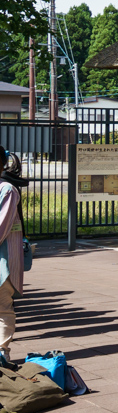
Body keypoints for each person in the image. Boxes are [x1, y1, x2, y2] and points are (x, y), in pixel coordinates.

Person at [0, 150, 25, 362]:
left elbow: (1, 227)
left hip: (3, 262)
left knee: (2, 309)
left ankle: (2, 353)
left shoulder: (7, 190)